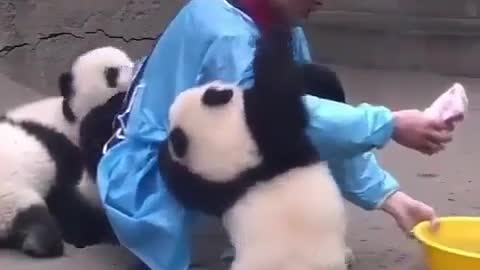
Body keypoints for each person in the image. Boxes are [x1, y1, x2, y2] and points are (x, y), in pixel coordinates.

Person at [97, 0, 452, 269]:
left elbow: (306, 118)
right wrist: (389, 124)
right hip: (154, 187)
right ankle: (221, 244)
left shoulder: (275, 23)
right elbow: (273, 120)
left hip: (201, 165)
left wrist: (390, 199)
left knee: (314, 86)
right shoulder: (225, 31)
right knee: (269, 122)